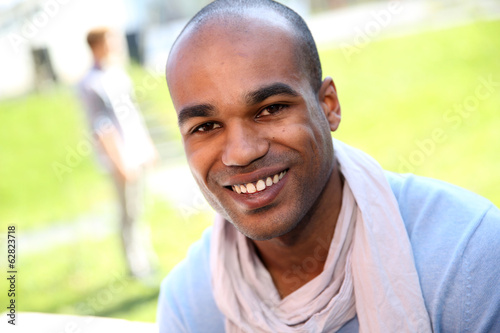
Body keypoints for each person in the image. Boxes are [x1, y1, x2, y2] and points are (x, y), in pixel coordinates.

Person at [157, 1, 500, 332]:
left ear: (328, 106)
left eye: (271, 108)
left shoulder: (465, 255)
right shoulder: (190, 303)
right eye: (205, 127)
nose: (242, 152)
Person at [78, 27, 158, 279]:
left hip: (136, 152)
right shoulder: (90, 84)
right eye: (110, 42)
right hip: (120, 158)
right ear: (96, 46)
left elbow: (132, 115)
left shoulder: (118, 75)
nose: (115, 46)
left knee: (140, 208)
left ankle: (146, 258)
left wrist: (147, 146)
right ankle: (135, 266)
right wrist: (120, 162)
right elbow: (102, 128)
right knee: (128, 212)